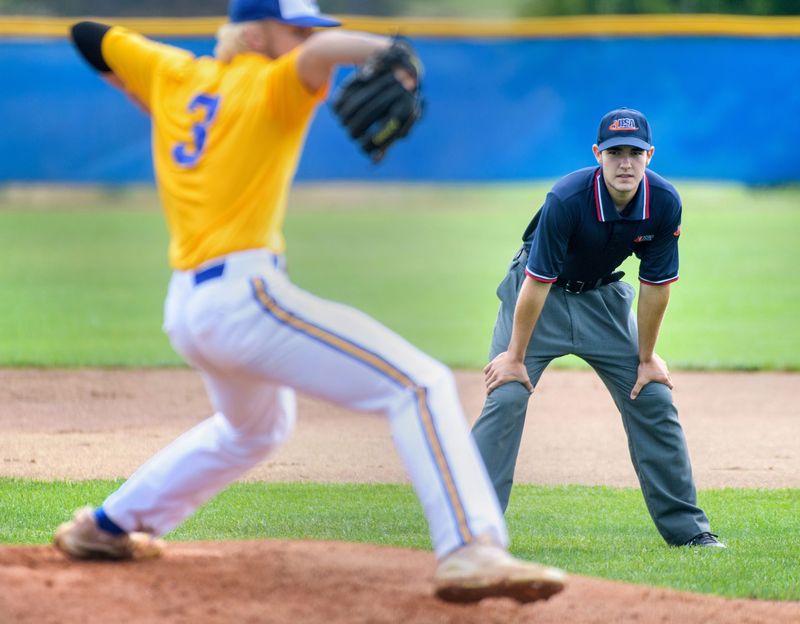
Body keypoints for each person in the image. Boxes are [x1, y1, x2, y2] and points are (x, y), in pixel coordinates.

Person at [53, 0, 567, 604]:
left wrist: (143, 94)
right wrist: (389, 52)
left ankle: (106, 527)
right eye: (293, 27)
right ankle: (471, 548)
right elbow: (324, 55)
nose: (305, 39)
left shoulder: (172, 76)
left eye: (307, 29)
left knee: (255, 429)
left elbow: (88, 33)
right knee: (418, 383)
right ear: (256, 30)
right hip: (245, 297)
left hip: (189, 308)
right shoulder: (275, 85)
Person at [472, 108, 724, 548]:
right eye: (614, 153)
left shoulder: (664, 202)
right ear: (597, 155)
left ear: (650, 155)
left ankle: (691, 533)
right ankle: (471, 525)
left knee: (653, 394)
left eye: (634, 152)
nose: (624, 162)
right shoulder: (567, 199)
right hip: (539, 299)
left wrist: (646, 359)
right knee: (508, 392)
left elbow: (655, 288)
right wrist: (513, 357)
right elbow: (536, 281)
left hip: (603, 302)